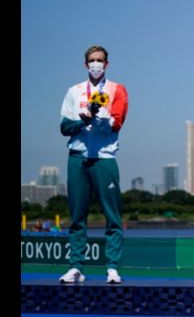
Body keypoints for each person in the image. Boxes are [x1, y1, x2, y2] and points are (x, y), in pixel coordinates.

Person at [58, 45, 129, 284]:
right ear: (85, 64)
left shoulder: (117, 90)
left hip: (105, 158)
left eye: (100, 60)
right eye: (92, 60)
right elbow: (64, 128)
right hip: (77, 157)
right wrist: (82, 119)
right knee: (77, 216)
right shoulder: (74, 91)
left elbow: (117, 123)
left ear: (106, 64)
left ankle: (111, 268)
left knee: (113, 216)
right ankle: (76, 267)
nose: (96, 64)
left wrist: (100, 117)